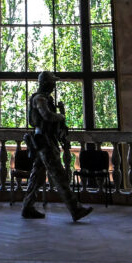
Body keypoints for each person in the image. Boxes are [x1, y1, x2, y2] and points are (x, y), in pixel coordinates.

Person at [21, 71, 92, 222]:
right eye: (52, 82)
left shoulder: (45, 98)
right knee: (59, 176)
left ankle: (27, 207)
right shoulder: (39, 98)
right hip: (44, 143)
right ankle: (75, 209)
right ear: (46, 83)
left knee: (37, 177)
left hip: (46, 142)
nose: (54, 85)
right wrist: (61, 116)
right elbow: (46, 116)